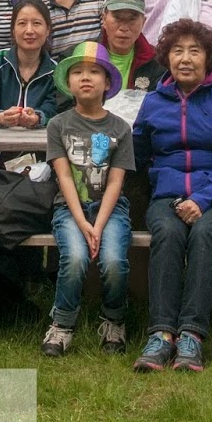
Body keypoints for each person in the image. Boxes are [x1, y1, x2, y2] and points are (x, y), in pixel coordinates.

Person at [131, 18, 212, 373]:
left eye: (194, 51)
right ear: (166, 58)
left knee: (205, 233)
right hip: (168, 194)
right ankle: (162, 333)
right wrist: (160, 189)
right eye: (177, 51)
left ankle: (192, 335)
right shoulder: (153, 101)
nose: (185, 59)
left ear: (209, 57)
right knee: (166, 233)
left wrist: (203, 199)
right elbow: (139, 153)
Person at [42, 41, 134, 357]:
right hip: (70, 209)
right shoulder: (58, 125)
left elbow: (115, 182)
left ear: (107, 82)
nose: (86, 78)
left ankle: (114, 319)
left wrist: (99, 223)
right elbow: (64, 176)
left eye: (95, 72)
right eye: (78, 72)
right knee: (76, 257)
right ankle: (62, 324)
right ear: (68, 82)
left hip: (111, 208)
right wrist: (82, 221)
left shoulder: (121, 129)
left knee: (113, 261)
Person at [0, 0, 58, 130]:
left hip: (40, 148)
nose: (29, 30)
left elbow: (55, 110)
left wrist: (38, 118)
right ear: (13, 30)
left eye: (37, 23)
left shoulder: (56, 72)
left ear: (48, 30)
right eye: (22, 23)